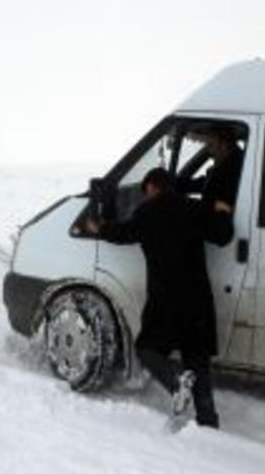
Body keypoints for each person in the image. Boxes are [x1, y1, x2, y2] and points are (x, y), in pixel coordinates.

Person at [85, 168, 219, 428]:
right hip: (198, 299)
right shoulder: (194, 208)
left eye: (145, 191)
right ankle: (208, 422)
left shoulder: (148, 212)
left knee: (147, 349)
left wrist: (99, 227)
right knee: (197, 360)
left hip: (166, 299)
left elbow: (122, 234)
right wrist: (221, 209)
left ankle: (176, 382)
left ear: (152, 187)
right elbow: (222, 235)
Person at [179, 126, 245, 246]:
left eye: (210, 145)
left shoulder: (230, 170)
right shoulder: (233, 164)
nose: (209, 151)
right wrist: (173, 183)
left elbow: (213, 201)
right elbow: (204, 185)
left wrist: (184, 204)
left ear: (224, 145)